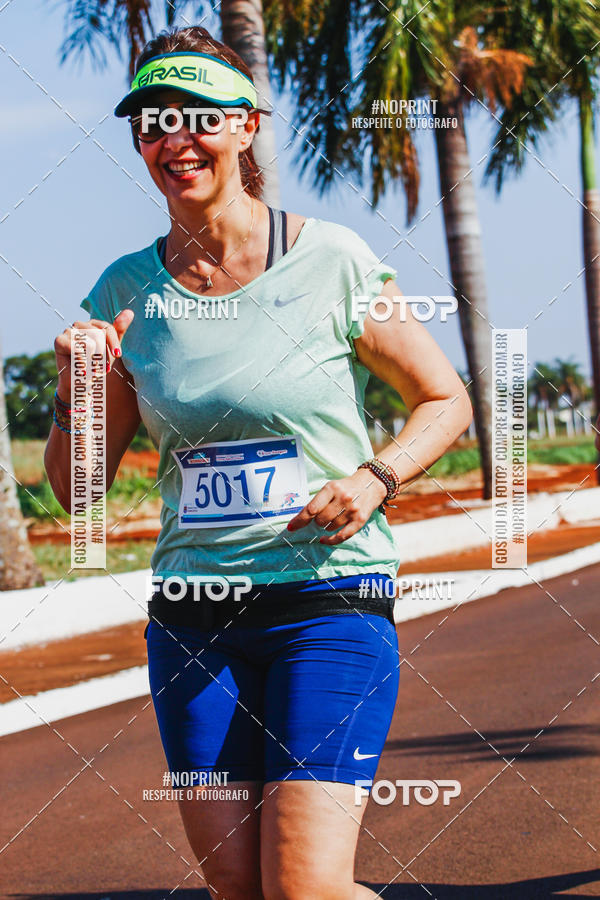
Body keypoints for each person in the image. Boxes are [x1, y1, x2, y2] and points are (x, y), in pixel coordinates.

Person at [45, 25, 472, 900]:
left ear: (244, 127)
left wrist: (374, 477)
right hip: (194, 621)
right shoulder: (125, 291)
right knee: (239, 893)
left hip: (327, 602)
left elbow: (448, 399)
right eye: (153, 123)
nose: (175, 139)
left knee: (305, 889)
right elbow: (77, 492)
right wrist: (73, 396)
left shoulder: (332, 261)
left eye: (195, 117)